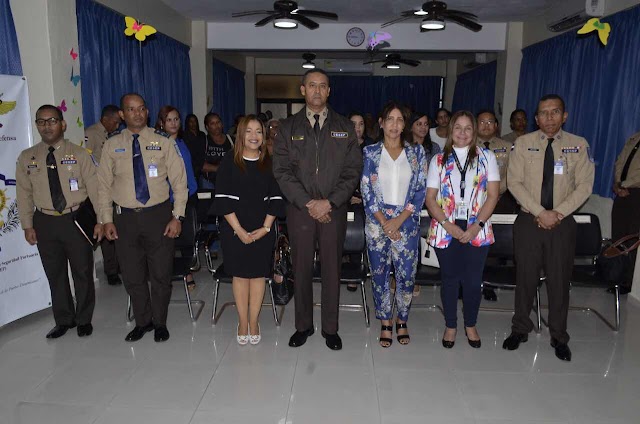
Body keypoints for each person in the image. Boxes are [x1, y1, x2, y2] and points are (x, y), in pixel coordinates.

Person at [273, 69, 363, 351]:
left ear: (329, 92)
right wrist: (310, 203)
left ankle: (330, 328)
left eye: (322, 86)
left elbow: (352, 171)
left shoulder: (344, 127)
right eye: (311, 85)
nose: (316, 91)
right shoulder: (288, 128)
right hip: (301, 209)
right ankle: (303, 326)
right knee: (300, 269)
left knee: (331, 269)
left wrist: (330, 202)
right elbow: (282, 171)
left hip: (333, 210)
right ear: (302, 90)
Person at [503, 94, 595, 362]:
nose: (550, 118)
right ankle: (520, 328)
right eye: (544, 113)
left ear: (564, 116)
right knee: (525, 279)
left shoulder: (578, 146)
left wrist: (558, 213)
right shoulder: (523, 143)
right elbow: (514, 182)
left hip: (563, 224)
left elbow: (584, 187)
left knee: (559, 281)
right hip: (529, 221)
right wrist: (541, 212)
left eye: (555, 112)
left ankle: (559, 335)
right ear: (536, 118)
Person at [97, 93, 188, 343]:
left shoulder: (163, 142)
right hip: (124, 218)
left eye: (141, 109)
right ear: (122, 115)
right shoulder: (111, 144)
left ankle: (160, 323)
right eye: (131, 109)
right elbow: (103, 186)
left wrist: (177, 216)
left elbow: (180, 183)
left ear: (147, 112)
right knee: (133, 275)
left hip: (159, 216)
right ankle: (143, 322)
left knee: (160, 274)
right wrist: (106, 220)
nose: (137, 113)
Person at [16, 105, 103, 339]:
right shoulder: (27, 157)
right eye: (42, 122)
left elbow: (95, 190)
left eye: (52, 120)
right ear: (37, 125)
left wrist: (102, 220)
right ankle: (64, 319)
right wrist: (27, 224)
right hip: (44, 220)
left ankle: (84, 319)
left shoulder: (80, 154)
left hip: (75, 219)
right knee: (55, 273)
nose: (47, 126)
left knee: (83, 271)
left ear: (62, 124)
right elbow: (23, 194)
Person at [425, 110, 500, 349]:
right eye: (458, 127)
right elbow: (430, 199)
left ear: (474, 131)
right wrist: (448, 225)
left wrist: (476, 225)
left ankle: (470, 324)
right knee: (449, 280)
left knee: (472, 280)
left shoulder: (487, 157)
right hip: (446, 226)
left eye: (468, 128)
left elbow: (493, 195)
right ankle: (450, 325)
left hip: (477, 226)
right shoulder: (438, 159)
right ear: (450, 130)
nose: (463, 133)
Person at [361, 102, 427, 347]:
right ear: (381, 122)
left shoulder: (417, 153)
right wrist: (385, 222)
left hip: (407, 222)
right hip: (377, 223)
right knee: (379, 275)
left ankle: (402, 319)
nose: (395, 124)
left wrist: (398, 221)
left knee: (406, 276)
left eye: (400, 120)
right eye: (390, 119)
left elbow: (420, 191)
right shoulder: (370, 152)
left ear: (404, 125)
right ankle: (385, 321)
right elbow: (366, 190)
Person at [214, 115, 284, 345]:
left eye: (259, 132)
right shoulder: (228, 162)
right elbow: (222, 199)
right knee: (240, 276)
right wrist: (239, 230)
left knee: (257, 277)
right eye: (249, 131)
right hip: (234, 230)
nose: (254, 136)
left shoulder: (269, 163)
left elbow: (276, 199)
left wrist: (265, 228)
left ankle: (254, 321)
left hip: (262, 230)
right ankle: (242, 321)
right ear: (241, 134)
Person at [155, 106, 199, 290]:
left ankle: (187, 271)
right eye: (169, 120)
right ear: (162, 123)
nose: (174, 123)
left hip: (188, 196)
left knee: (188, 237)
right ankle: (170, 273)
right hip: (168, 200)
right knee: (168, 241)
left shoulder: (182, 143)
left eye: (176, 119)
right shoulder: (158, 146)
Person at [84, 104, 122, 286]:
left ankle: (119, 265)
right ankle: (111, 270)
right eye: (115, 123)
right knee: (106, 226)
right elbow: (86, 162)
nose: (117, 127)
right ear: (105, 119)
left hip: (115, 187)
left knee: (116, 226)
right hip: (98, 189)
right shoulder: (91, 134)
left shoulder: (115, 136)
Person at [610, 131, 640, 295]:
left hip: (636, 193)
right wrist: (618, 183)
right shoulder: (634, 137)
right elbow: (620, 162)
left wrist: (625, 184)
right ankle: (614, 276)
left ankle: (627, 281)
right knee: (618, 235)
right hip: (623, 191)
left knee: (632, 238)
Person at [476, 110, 516, 214]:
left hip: (501, 198)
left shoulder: (507, 146)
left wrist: (496, 192)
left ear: (496, 125)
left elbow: (512, 173)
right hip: (473, 199)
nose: (486, 125)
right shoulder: (468, 147)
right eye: (482, 122)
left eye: (490, 122)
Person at [183, 113, 207, 181]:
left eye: (194, 121)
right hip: (191, 165)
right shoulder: (184, 136)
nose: (193, 123)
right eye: (191, 121)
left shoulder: (202, 135)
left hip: (202, 165)